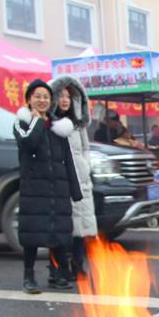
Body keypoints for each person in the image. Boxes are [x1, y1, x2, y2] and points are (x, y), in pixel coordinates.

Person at [13, 79, 83, 294]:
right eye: (37, 96)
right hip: (34, 189)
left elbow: (68, 160)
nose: (42, 100)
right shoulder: (23, 122)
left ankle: (59, 274)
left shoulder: (58, 127)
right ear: (29, 100)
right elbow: (28, 143)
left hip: (58, 189)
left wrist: (75, 190)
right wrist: (36, 121)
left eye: (45, 97)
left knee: (59, 232)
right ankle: (29, 277)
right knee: (32, 234)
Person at [50, 76, 98, 278]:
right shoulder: (50, 124)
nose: (64, 100)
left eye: (68, 96)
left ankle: (78, 266)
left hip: (82, 180)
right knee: (64, 226)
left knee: (82, 227)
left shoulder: (78, 125)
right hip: (61, 181)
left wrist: (86, 165)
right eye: (60, 95)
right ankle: (59, 268)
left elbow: (86, 148)